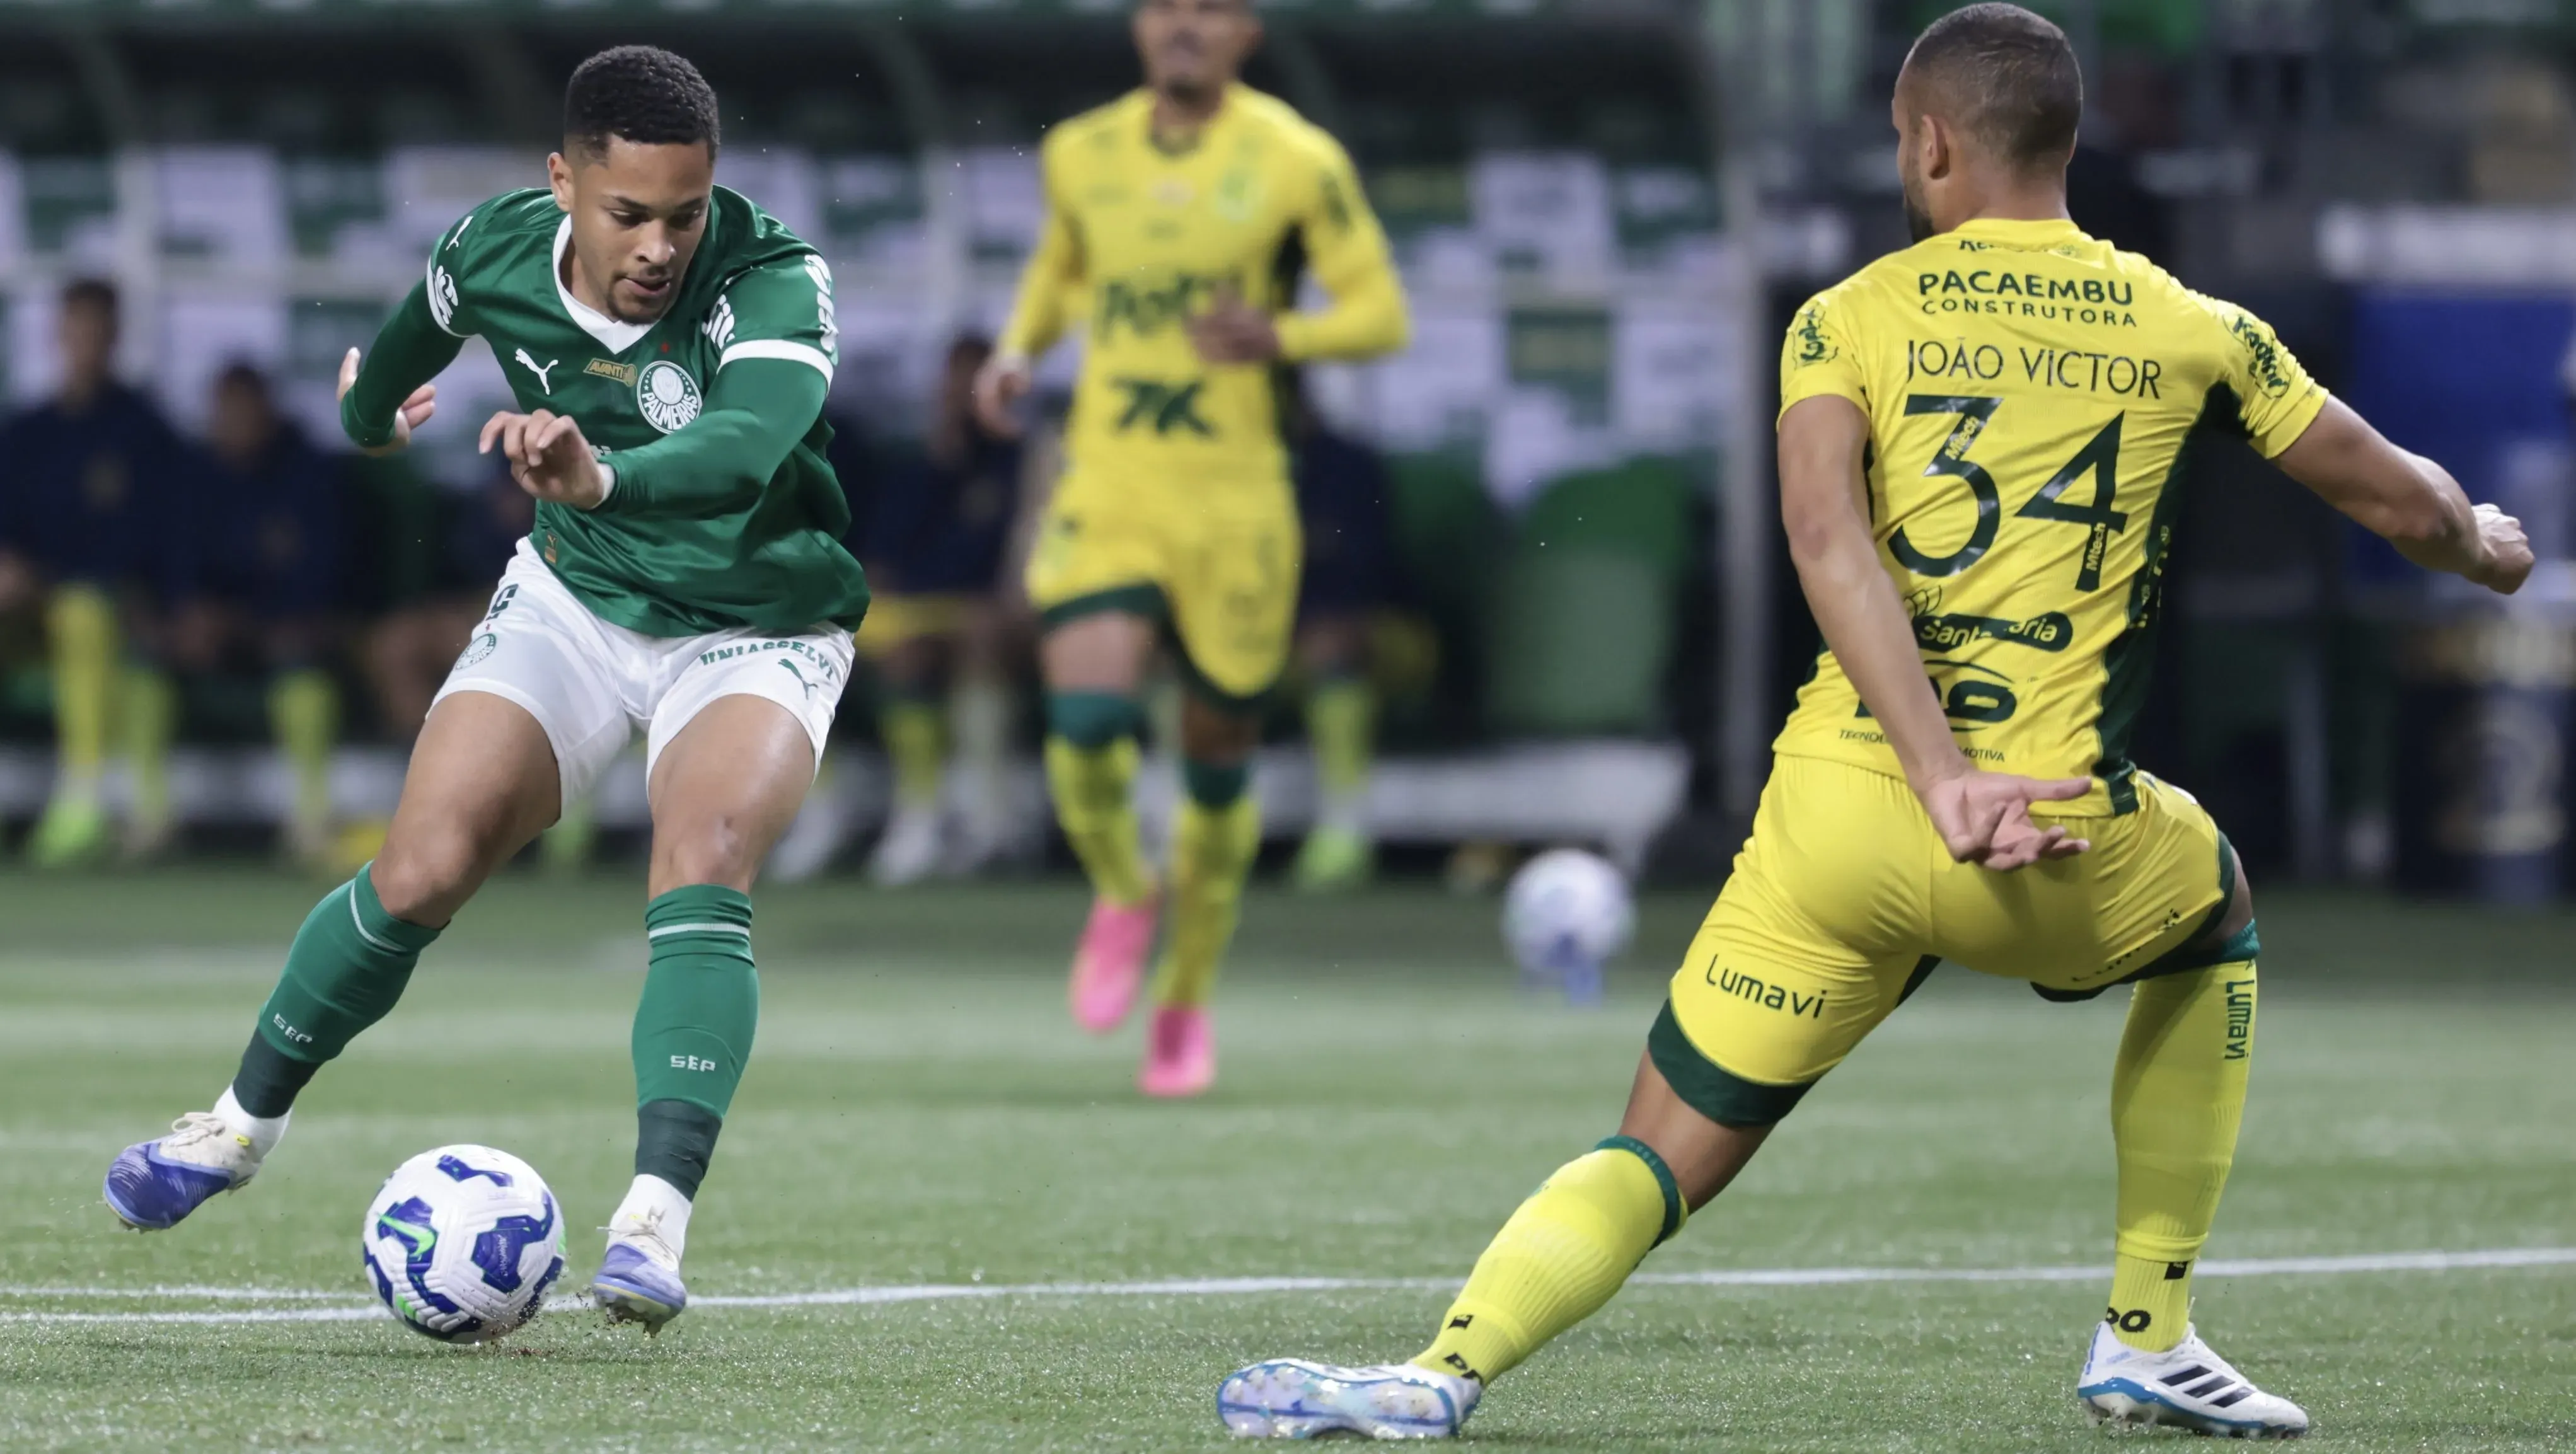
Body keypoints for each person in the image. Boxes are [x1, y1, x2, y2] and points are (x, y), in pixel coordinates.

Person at [1216, 5, 2533, 1440]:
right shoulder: (2193, 325)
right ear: (2068, 143)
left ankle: (1441, 1366)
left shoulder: (1844, 316)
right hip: (2050, 841)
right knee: (2214, 908)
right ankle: (2147, 1328)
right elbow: (2403, 501)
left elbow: (1826, 539)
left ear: (1928, 141)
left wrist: (1926, 769)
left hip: (1838, 823)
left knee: (1657, 1143)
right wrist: (2484, 546)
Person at [101, 45, 864, 1336]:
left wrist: (602, 477)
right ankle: (234, 1130)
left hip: (757, 619)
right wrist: (372, 419)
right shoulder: (486, 253)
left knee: (703, 854)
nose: (660, 245)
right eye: (628, 213)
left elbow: (743, 448)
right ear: (563, 182)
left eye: (685, 213)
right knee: (421, 865)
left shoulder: (776, 277)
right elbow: (380, 379)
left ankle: (651, 1225)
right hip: (575, 598)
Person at [976, 0, 1409, 1097]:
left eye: (1211, 11)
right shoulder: (1080, 153)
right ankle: (1123, 886)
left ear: (1245, 33)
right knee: (1085, 716)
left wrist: (1284, 334)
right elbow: (1064, 271)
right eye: (1168, 6)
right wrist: (1018, 349)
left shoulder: (1294, 160)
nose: (1185, 27)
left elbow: (1379, 311)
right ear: (1139, 24)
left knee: (1217, 755)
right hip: (1113, 474)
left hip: (1234, 497)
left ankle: (1183, 1000)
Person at [0, 279, 190, 865]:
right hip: (21, 613)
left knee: (83, 611)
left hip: (106, 611)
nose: (86, 343)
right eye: (75, 329)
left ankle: (81, 799)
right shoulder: (25, 432)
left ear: (115, 336)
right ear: (58, 334)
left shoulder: (144, 433)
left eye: (98, 331)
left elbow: (153, 540)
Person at [857, 334, 1031, 885]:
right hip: (914, 610)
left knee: (977, 634)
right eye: (957, 381)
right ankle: (919, 812)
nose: (964, 394)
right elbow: (881, 562)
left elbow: (1016, 567)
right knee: (834, 640)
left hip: (986, 614)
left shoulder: (1020, 459)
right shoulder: (916, 461)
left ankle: (987, 812)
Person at [168, 363, 347, 864]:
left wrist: (248, 623)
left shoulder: (306, 473)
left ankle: (311, 819)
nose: (237, 423)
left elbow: (321, 582)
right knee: (143, 658)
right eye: (227, 413)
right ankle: (149, 818)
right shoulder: (193, 474)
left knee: (303, 669)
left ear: (269, 412)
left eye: (247, 412)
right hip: (207, 640)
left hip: (282, 633)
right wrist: (186, 617)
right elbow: (174, 568)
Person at [1282, 372, 1395, 891]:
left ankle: (1345, 824)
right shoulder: (1232, 472)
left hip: (1390, 636)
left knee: (1329, 641)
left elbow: (1368, 576)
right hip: (1266, 643)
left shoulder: (1348, 466)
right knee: (1175, 654)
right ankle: (1177, 826)